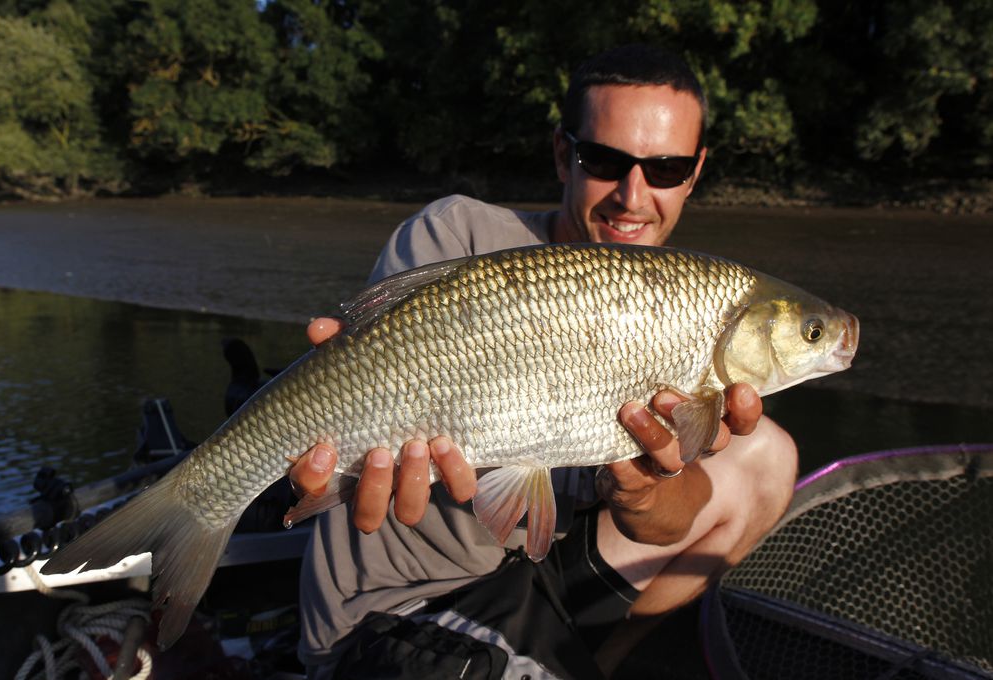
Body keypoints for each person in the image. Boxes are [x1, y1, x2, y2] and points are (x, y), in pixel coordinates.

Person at [289, 44, 798, 677]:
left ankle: (607, 663)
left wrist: (639, 483)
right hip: (398, 604)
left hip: (534, 565)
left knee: (769, 455)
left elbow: (664, 526)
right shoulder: (458, 236)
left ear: (693, 173)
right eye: (607, 161)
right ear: (564, 154)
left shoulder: (681, 309)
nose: (632, 196)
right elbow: (372, 393)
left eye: (664, 169)